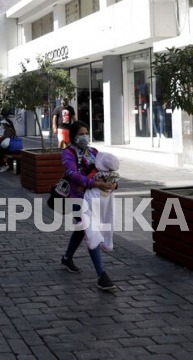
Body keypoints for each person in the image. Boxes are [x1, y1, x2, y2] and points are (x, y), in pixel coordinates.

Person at [60, 120, 118, 291]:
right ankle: (102, 275)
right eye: (81, 134)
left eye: (86, 133)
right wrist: (95, 184)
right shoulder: (68, 153)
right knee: (90, 230)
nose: (85, 136)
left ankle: (67, 257)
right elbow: (72, 174)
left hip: (96, 198)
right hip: (77, 197)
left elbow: (107, 171)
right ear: (73, 136)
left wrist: (113, 184)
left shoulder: (93, 152)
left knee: (82, 229)